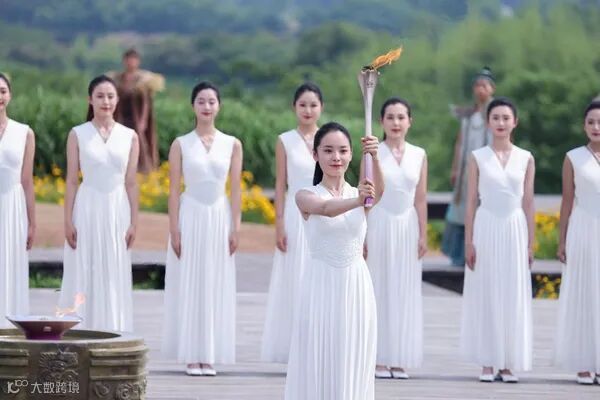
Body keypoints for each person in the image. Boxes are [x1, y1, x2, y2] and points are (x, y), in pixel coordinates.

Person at [284, 122, 382, 400]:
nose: (336, 157)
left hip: (356, 284)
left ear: (351, 154)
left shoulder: (360, 193)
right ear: (315, 155)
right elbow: (326, 209)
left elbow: (379, 192)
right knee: (320, 350)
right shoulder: (305, 195)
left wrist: (375, 157)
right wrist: (359, 200)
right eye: (328, 150)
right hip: (321, 284)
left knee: (353, 350)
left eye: (342, 151)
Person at [162, 82, 242, 377]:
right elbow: (173, 190)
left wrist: (236, 227)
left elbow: (236, 189)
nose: (207, 106)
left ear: (219, 106)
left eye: (211, 101)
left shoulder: (232, 144)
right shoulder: (181, 144)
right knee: (191, 282)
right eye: (201, 101)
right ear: (193, 106)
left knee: (214, 283)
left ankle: (209, 355)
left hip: (219, 217)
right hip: (191, 216)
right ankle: (191, 355)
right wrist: (174, 230)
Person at [460, 97, 535, 383]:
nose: (501, 123)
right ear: (488, 122)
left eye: (506, 118)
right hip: (486, 226)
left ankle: (508, 362)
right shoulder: (478, 157)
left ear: (515, 122)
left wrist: (530, 243)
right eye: (496, 118)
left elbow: (528, 202)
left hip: (515, 227)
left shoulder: (526, 158)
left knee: (512, 293)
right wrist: (469, 241)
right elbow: (470, 202)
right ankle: (488, 361)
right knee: (487, 290)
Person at [60, 75, 139, 331]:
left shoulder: (129, 136)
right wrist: (67, 220)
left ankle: (113, 328)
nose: (106, 101)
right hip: (87, 206)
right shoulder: (78, 134)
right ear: (90, 100)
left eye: (110, 96)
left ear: (117, 100)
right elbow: (72, 180)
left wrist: (134, 222)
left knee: (113, 268)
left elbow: (131, 183)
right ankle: (81, 329)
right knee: (85, 266)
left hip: (117, 208)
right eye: (100, 96)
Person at [261, 82, 323, 363]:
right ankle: (295, 347)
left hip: (322, 213)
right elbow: (280, 184)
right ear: (294, 107)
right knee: (295, 278)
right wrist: (279, 225)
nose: (308, 110)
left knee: (319, 278)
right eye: (303, 105)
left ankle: (316, 344)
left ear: (321, 107)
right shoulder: (285, 140)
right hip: (295, 217)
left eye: (313, 105)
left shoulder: (328, 138)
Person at [367, 98, 427, 379]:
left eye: (401, 117)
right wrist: (362, 234)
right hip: (379, 222)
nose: (395, 123)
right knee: (379, 288)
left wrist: (423, 234)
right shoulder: (373, 153)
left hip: (407, 225)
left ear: (410, 122)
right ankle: (379, 357)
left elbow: (421, 198)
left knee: (404, 290)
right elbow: (366, 196)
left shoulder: (419, 154)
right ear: (381, 121)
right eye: (390, 117)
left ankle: (399, 357)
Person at [555, 101, 600, 385]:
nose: (596, 127)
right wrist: (562, 241)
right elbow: (567, 202)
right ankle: (584, 363)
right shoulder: (573, 158)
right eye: (591, 122)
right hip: (583, 228)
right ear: (584, 126)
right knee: (584, 294)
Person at [442, 67, 495, 266]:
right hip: (466, 171)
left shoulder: (495, 113)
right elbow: (460, 142)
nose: (481, 89)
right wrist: (455, 168)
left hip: (487, 171)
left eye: (484, 85)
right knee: (461, 210)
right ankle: (458, 256)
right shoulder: (469, 114)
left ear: (492, 89)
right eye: (478, 85)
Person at [0, 72, 36, 327]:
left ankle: (8, 327)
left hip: (13, 206)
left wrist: (32, 222)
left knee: (11, 265)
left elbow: (27, 181)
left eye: (2, 91)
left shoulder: (24, 133)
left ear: (10, 95)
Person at [109, 48, 164, 173]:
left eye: (133, 59)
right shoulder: (117, 79)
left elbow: (146, 103)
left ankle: (143, 171)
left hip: (137, 119)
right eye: (128, 59)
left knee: (140, 144)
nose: (130, 62)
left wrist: (143, 121)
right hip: (121, 117)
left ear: (138, 61)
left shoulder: (144, 81)